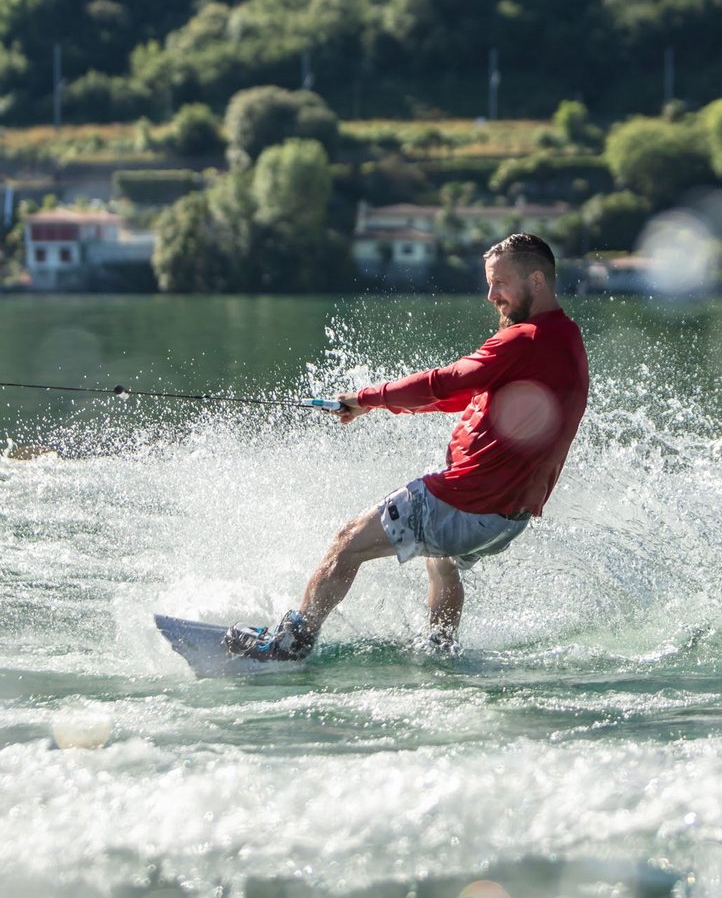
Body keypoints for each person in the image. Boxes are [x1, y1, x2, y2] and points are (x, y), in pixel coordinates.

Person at [225, 232, 589, 660]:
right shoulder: (564, 339)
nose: (491, 295)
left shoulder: (525, 338)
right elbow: (461, 395)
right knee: (441, 560)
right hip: (503, 520)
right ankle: (440, 648)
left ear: (537, 280)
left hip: (467, 503)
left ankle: (290, 644)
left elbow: (445, 382)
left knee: (349, 543)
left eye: (501, 283)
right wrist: (376, 408)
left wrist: (366, 397)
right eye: (488, 284)